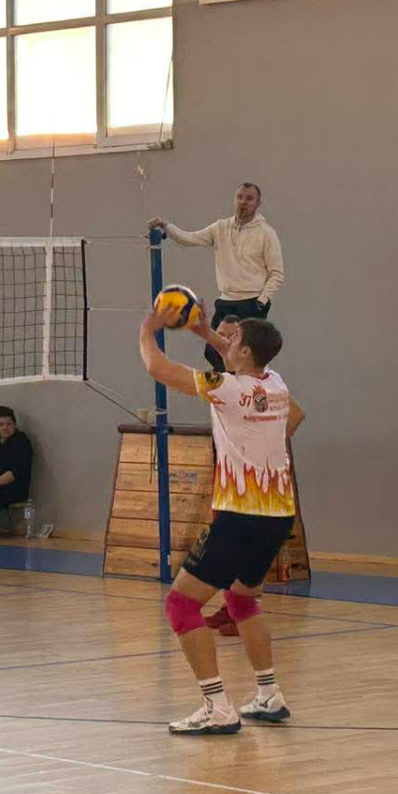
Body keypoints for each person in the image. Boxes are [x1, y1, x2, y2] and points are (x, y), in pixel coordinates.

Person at [137, 308, 302, 735]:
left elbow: (158, 368)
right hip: (278, 514)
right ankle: (268, 694)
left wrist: (149, 329)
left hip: (239, 516)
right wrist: (204, 332)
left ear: (245, 352)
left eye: (233, 340)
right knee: (242, 601)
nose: (225, 344)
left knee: (180, 604)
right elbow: (289, 412)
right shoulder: (276, 384)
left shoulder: (225, 388)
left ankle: (217, 706)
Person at [150, 182, 285, 371]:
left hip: (252, 302)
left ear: (258, 203)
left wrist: (261, 301)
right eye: (240, 197)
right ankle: (227, 385)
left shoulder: (266, 233)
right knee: (213, 352)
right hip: (226, 301)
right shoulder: (220, 227)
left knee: (245, 355)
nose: (243, 202)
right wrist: (166, 226)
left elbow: (277, 273)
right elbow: (189, 238)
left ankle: (240, 387)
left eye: (249, 198)